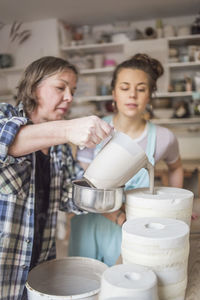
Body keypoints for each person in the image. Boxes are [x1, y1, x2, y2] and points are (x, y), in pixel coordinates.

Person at [0, 56, 112, 300]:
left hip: (40, 264)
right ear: (33, 87)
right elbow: (5, 141)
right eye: (61, 88)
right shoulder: (5, 114)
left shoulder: (59, 148)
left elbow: (70, 198)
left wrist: (112, 184)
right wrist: (68, 129)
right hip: (4, 268)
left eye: (72, 90)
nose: (69, 97)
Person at [69, 53, 184, 266]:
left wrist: (175, 207)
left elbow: (176, 168)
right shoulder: (92, 131)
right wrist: (119, 218)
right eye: (124, 88)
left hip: (132, 231)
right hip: (90, 226)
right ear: (113, 93)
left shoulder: (163, 138)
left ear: (150, 95)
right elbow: (84, 185)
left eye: (141, 89)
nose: (132, 95)